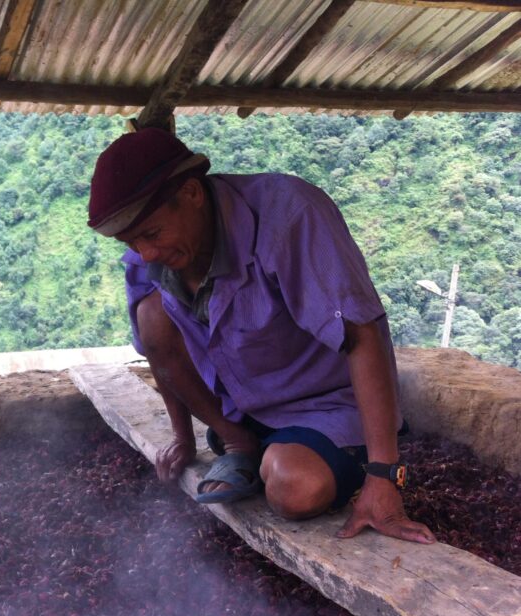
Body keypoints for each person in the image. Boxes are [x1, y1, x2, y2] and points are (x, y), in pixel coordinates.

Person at [87, 127, 434, 545]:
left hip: (322, 405)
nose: (145, 254)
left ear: (194, 194)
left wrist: (384, 476)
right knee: (152, 311)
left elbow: (363, 334)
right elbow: (158, 348)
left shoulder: (290, 217)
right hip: (241, 406)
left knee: (294, 489)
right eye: (131, 242)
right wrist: (184, 438)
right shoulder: (152, 248)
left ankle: (304, 456)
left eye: (152, 235)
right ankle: (240, 444)